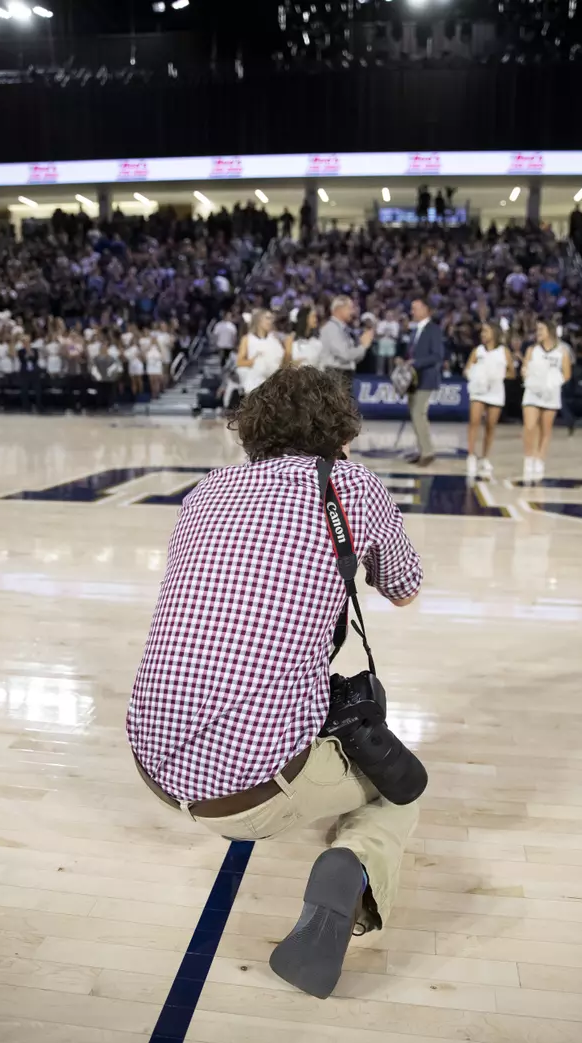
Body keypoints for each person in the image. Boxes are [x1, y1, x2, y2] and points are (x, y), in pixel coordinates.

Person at [128, 367, 423, 1000]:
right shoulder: (352, 485)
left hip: (153, 765)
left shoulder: (205, 492)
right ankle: (354, 866)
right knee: (401, 785)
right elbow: (404, 589)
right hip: (248, 791)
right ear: (339, 428)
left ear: (254, 429)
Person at [521, 318, 572, 483]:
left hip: (550, 394)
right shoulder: (532, 350)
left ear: (549, 331)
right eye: (537, 330)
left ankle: (540, 459)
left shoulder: (562, 351)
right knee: (529, 426)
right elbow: (525, 368)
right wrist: (525, 372)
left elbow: (567, 374)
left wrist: (553, 382)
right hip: (533, 392)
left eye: (541, 330)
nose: (538, 333)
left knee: (546, 428)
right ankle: (529, 458)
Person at [464, 322, 513, 480]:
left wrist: (499, 375)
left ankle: (485, 458)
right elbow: (466, 369)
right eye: (482, 332)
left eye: (486, 331)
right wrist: (473, 373)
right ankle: (471, 456)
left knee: (491, 425)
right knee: (474, 422)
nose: (483, 334)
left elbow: (512, 373)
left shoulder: (503, 352)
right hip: (478, 391)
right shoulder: (477, 351)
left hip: (495, 391)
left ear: (495, 333)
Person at [401, 296, 444, 468]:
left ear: (426, 310)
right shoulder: (415, 329)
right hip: (413, 379)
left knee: (419, 414)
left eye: (416, 308)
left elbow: (437, 356)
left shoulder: (433, 329)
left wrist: (416, 363)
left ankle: (428, 452)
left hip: (426, 378)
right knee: (415, 414)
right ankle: (422, 450)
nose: (412, 311)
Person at [319, 295, 374, 392]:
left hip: (342, 375)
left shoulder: (344, 329)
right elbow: (344, 355)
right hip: (335, 375)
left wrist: (362, 347)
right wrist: (363, 346)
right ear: (339, 309)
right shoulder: (332, 328)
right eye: (350, 308)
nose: (353, 312)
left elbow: (353, 359)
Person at [236, 308, 284, 394]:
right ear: (258, 320)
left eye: (272, 319)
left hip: (275, 384)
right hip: (256, 386)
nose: (271, 321)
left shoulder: (275, 338)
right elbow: (240, 362)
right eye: (267, 318)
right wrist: (256, 360)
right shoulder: (247, 339)